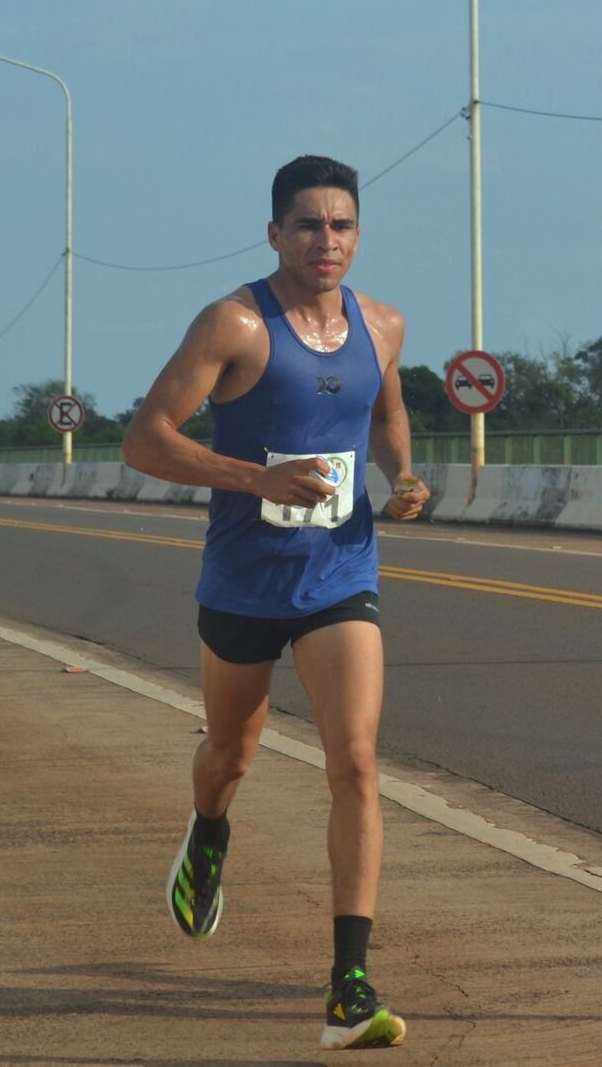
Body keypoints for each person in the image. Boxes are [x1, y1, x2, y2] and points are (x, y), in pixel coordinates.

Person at [123, 154, 430, 1051]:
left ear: (358, 234)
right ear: (274, 233)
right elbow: (147, 441)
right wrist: (257, 475)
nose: (324, 240)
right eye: (307, 225)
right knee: (229, 752)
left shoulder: (384, 323)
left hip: (341, 572)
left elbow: (384, 413)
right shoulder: (234, 323)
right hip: (245, 577)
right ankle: (207, 833)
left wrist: (401, 474)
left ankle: (348, 983)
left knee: (357, 762)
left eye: (340, 225)